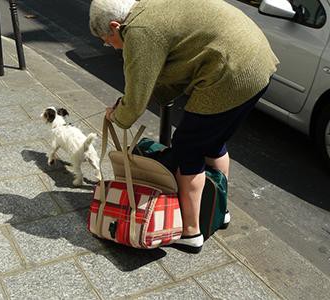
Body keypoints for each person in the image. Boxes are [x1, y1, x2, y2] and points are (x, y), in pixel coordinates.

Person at [89, 0, 278, 253]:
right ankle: (219, 212)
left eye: (106, 39)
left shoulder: (137, 30)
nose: (109, 46)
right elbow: (171, 71)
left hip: (228, 73)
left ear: (115, 26)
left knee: (188, 149)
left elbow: (136, 96)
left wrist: (118, 115)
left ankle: (191, 233)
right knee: (213, 143)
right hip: (258, 62)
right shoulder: (150, 7)